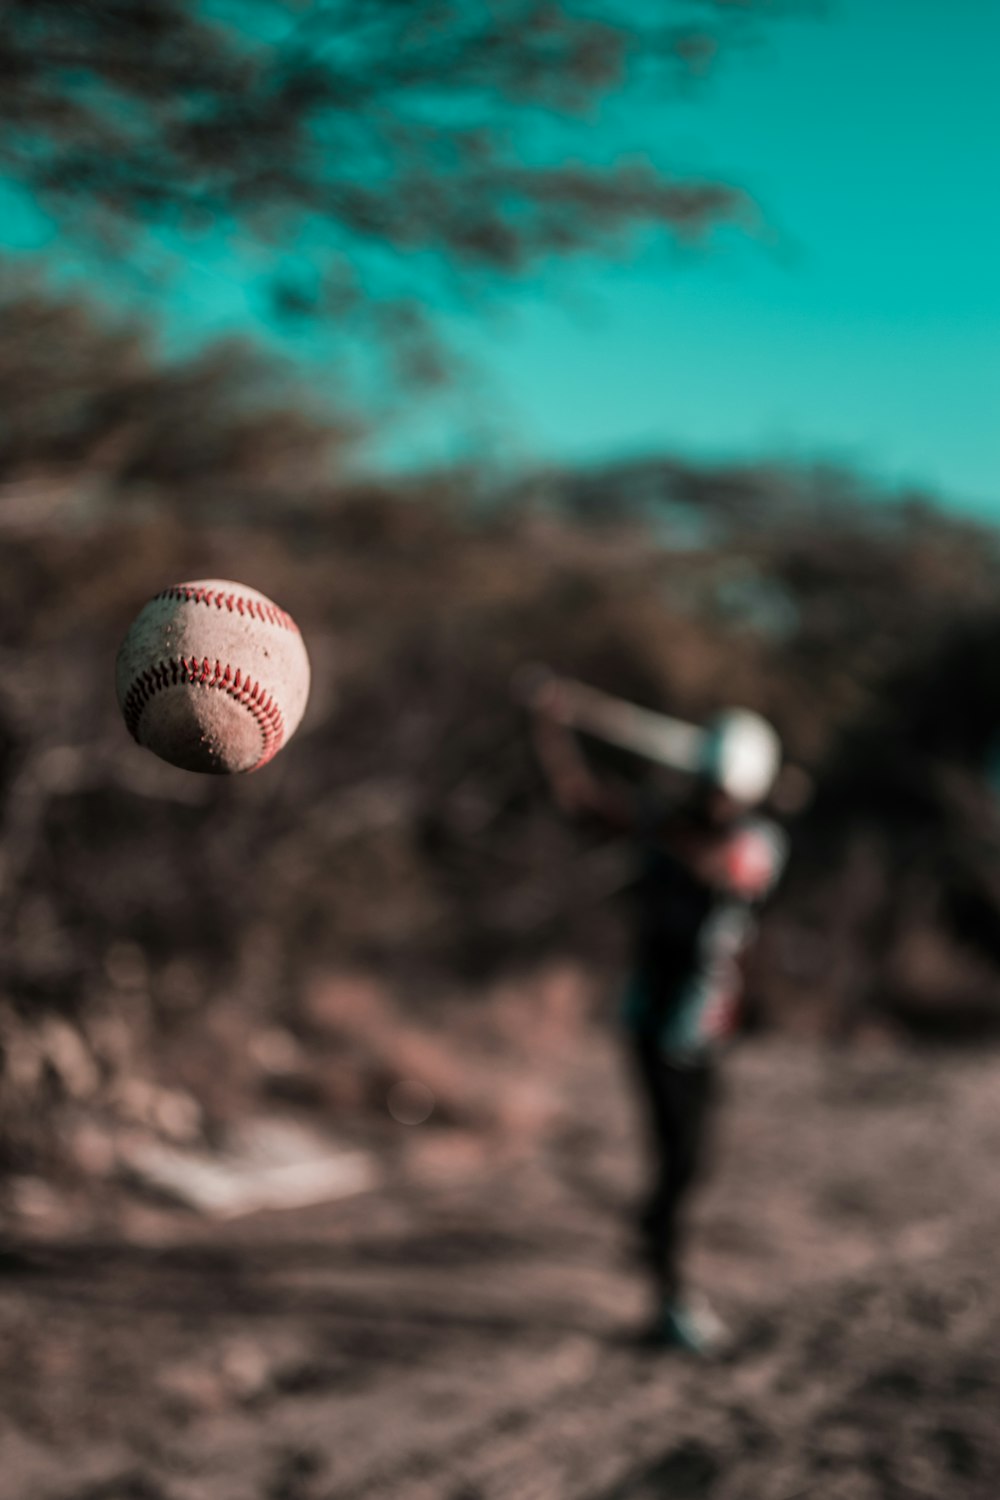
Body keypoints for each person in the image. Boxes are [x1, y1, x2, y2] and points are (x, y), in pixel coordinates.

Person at [530, 682, 787, 1355]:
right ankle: (669, 1296)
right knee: (676, 1166)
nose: (716, 799)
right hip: (655, 1024)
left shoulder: (756, 841)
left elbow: (719, 866)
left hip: (706, 1028)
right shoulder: (665, 825)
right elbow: (581, 803)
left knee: (693, 1163)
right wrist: (551, 731)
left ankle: (654, 1240)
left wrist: (659, 824)